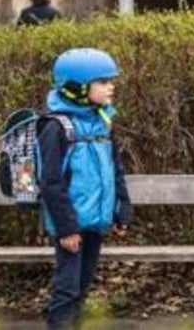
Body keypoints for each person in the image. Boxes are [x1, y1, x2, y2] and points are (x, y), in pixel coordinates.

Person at [39, 48, 133, 329]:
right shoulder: (56, 127)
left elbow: (115, 169)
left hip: (95, 220)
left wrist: (122, 209)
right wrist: (67, 228)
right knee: (67, 288)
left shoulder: (103, 121)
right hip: (70, 224)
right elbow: (51, 183)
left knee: (82, 286)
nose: (110, 87)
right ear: (78, 88)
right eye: (103, 82)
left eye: (110, 81)